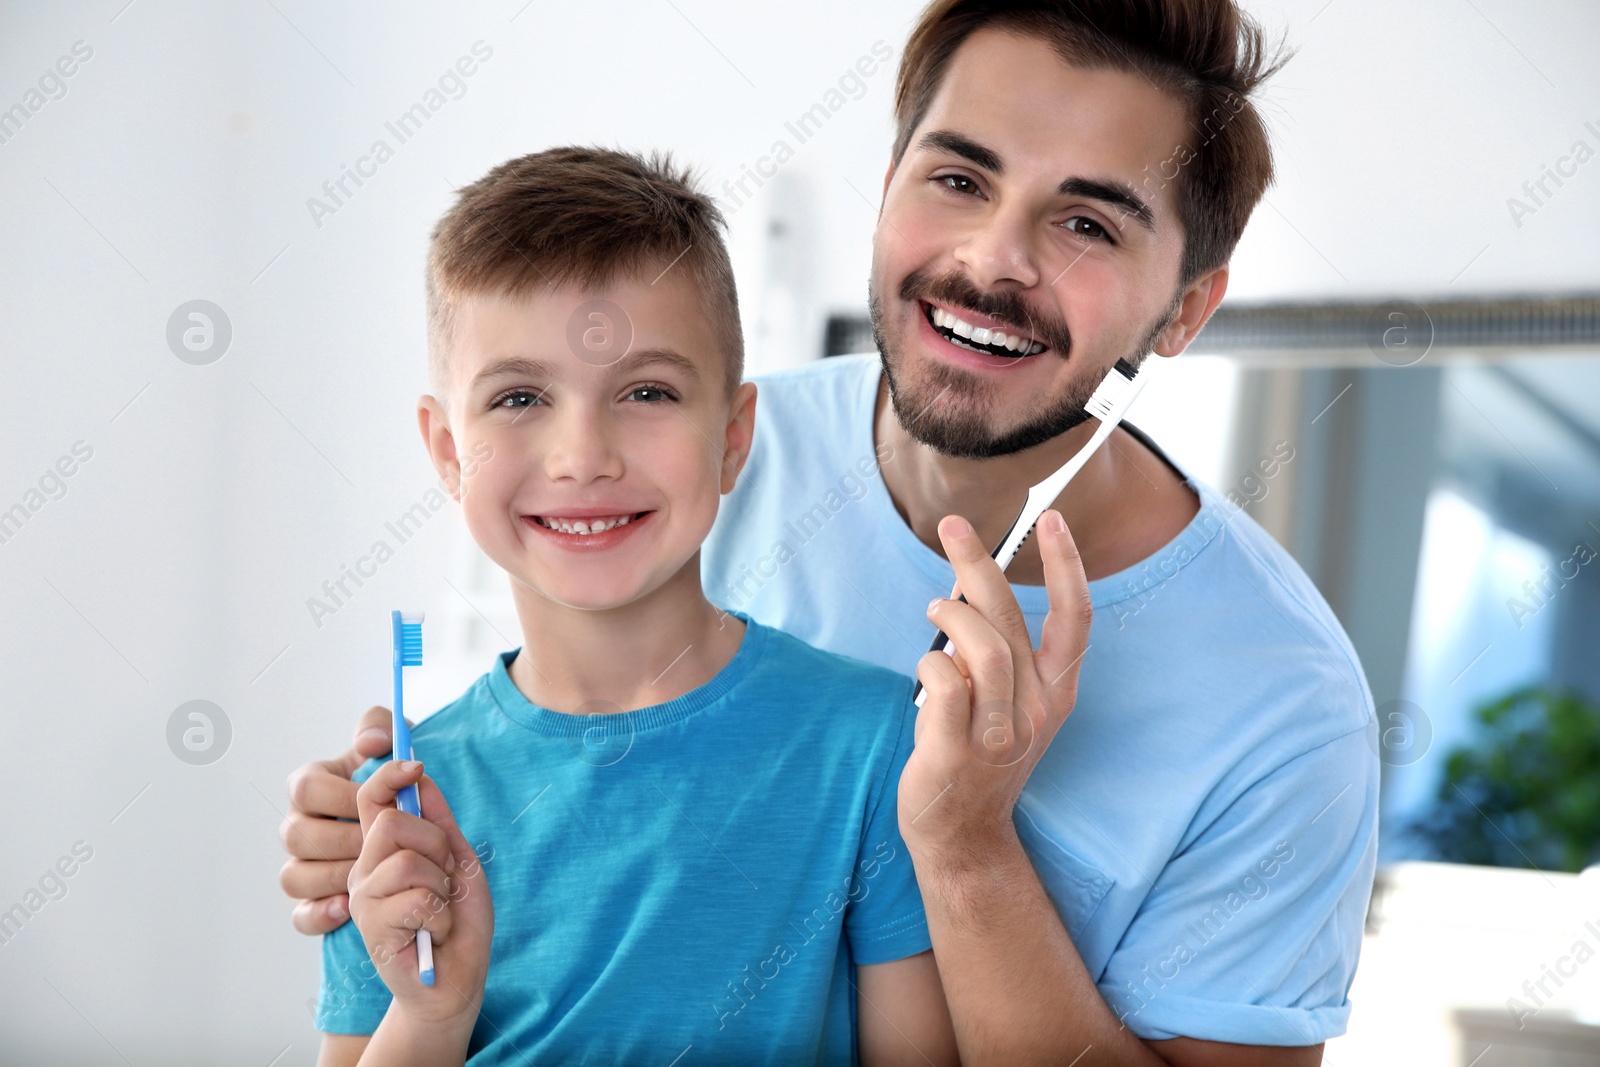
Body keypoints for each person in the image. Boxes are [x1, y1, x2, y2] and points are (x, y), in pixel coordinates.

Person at [284, 2, 1379, 1063]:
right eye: (957, 178)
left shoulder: (1285, 708)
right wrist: (373, 833)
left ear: (1183, 309)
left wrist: (965, 848)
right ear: (890, 182)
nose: (995, 259)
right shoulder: (688, 454)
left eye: (1086, 221)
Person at [312, 145, 966, 1065]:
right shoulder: (400, 816)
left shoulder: (871, 745)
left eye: (647, 391)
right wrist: (430, 1015)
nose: (583, 454)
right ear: (449, 451)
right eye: (520, 396)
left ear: (733, 438)